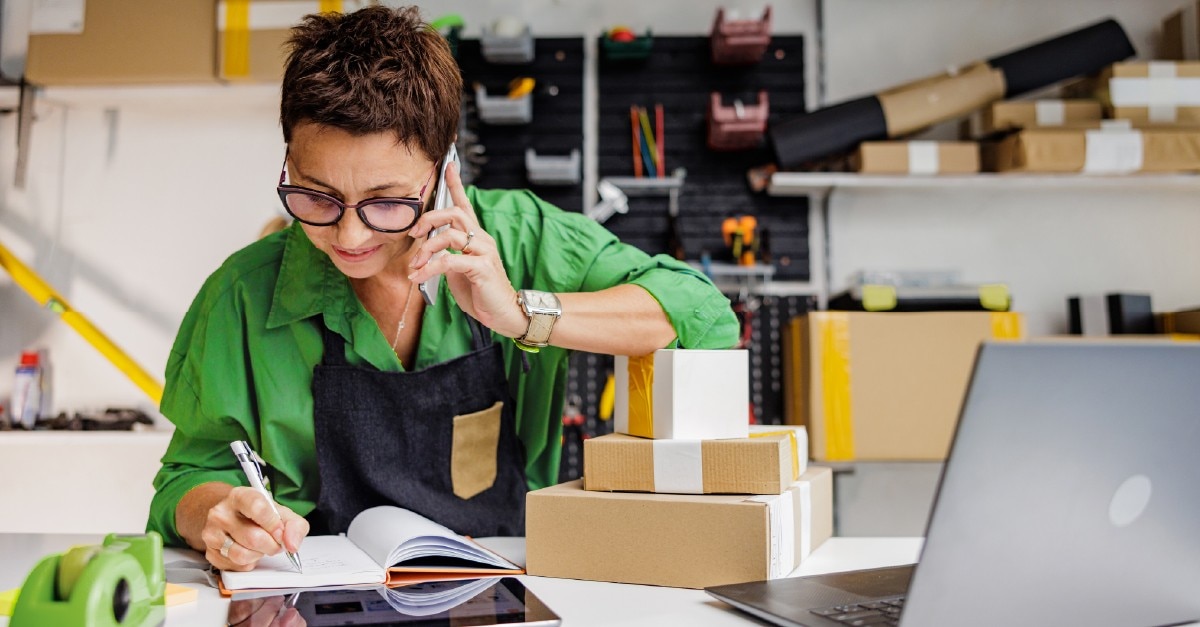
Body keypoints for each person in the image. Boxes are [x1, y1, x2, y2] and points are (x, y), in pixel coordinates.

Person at [147, 5, 739, 572]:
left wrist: (521, 314)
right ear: (287, 162)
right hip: (317, 595)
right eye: (316, 195)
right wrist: (216, 514)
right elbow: (187, 477)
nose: (349, 233)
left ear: (443, 167)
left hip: (503, 580)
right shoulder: (242, 294)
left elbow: (700, 313)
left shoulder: (523, 237)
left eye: (386, 201)